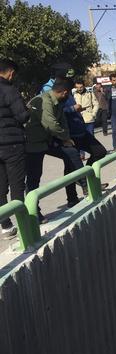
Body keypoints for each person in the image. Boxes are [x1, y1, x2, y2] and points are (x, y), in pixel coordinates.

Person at [25, 79, 86, 216]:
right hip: (33, 142)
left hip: (48, 139)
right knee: (34, 178)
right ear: (64, 92)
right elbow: (51, 124)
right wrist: (64, 137)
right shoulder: (44, 100)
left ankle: (85, 184)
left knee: (71, 153)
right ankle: (34, 213)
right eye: (69, 94)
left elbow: (62, 121)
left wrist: (67, 139)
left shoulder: (57, 102)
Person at [0, 59, 29, 236]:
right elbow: (22, 116)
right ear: (10, 72)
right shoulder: (9, 90)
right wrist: (29, 111)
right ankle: (24, 225)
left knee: (0, 187)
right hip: (12, 145)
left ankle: (5, 225)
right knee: (17, 185)